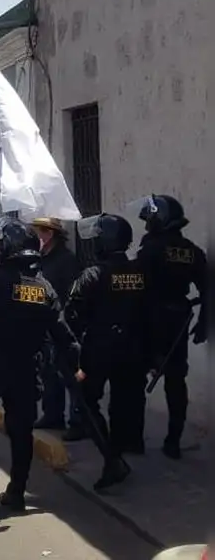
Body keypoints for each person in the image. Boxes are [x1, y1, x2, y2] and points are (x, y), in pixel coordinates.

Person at [0, 218, 80, 514]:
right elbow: (63, 334)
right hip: (27, 369)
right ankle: (17, 493)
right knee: (21, 431)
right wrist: (75, 364)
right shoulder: (43, 287)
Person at [65, 213, 144, 490]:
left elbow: (71, 314)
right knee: (123, 403)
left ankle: (113, 460)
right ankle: (121, 452)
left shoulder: (93, 274)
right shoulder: (139, 272)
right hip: (133, 349)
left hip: (98, 349)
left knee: (86, 403)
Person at [134, 194, 207, 459]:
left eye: (148, 221)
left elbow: (137, 285)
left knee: (135, 379)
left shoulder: (151, 248)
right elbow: (207, 289)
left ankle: (134, 439)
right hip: (178, 321)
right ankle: (173, 441)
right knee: (176, 383)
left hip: (150, 320)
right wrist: (203, 324)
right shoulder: (192, 251)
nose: (145, 227)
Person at [30, 217, 84, 440]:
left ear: (49, 234)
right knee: (48, 371)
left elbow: (73, 293)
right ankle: (53, 414)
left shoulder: (66, 260)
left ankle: (79, 421)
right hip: (45, 323)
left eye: (38, 232)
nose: (36, 237)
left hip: (63, 323)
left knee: (69, 374)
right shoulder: (41, 259)